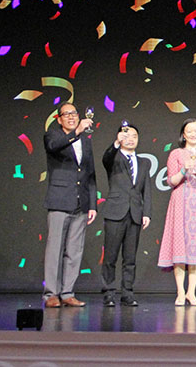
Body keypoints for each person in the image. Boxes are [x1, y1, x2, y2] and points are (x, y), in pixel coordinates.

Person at [42, 102, 97, 308]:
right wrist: (76, 132)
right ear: (59, 119)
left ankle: (67, 292)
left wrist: (92, 204)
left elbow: (90, 174)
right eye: (67, 114)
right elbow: (54, 147)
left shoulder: (86, 142)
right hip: (60, 200)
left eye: (74, 113)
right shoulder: (53, 135)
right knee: (54, 249)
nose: (72, 117)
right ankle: (51, 293)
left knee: (74, 250)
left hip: (80, 202)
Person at [157, 118, 196, 306]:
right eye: (189, 131)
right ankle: (180, 292)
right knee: (180, 246)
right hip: (180, 201)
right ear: (183, 134)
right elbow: (171, 181)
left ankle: (191, 292)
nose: (193, 134)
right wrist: (183, 170)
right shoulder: (176, 153)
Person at [101, 122, 152, 307]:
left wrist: (147, 213)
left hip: (135, 213)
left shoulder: (144, 162)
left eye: (134, 136)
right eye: (126, 135)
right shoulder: (113, 158)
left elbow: (147, 189)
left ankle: (127, 293)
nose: (130, 139)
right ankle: (108, 292)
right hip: (115, 211)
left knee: (130, 258)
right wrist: (116, 144)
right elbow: (106, 158)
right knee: (110, 256)